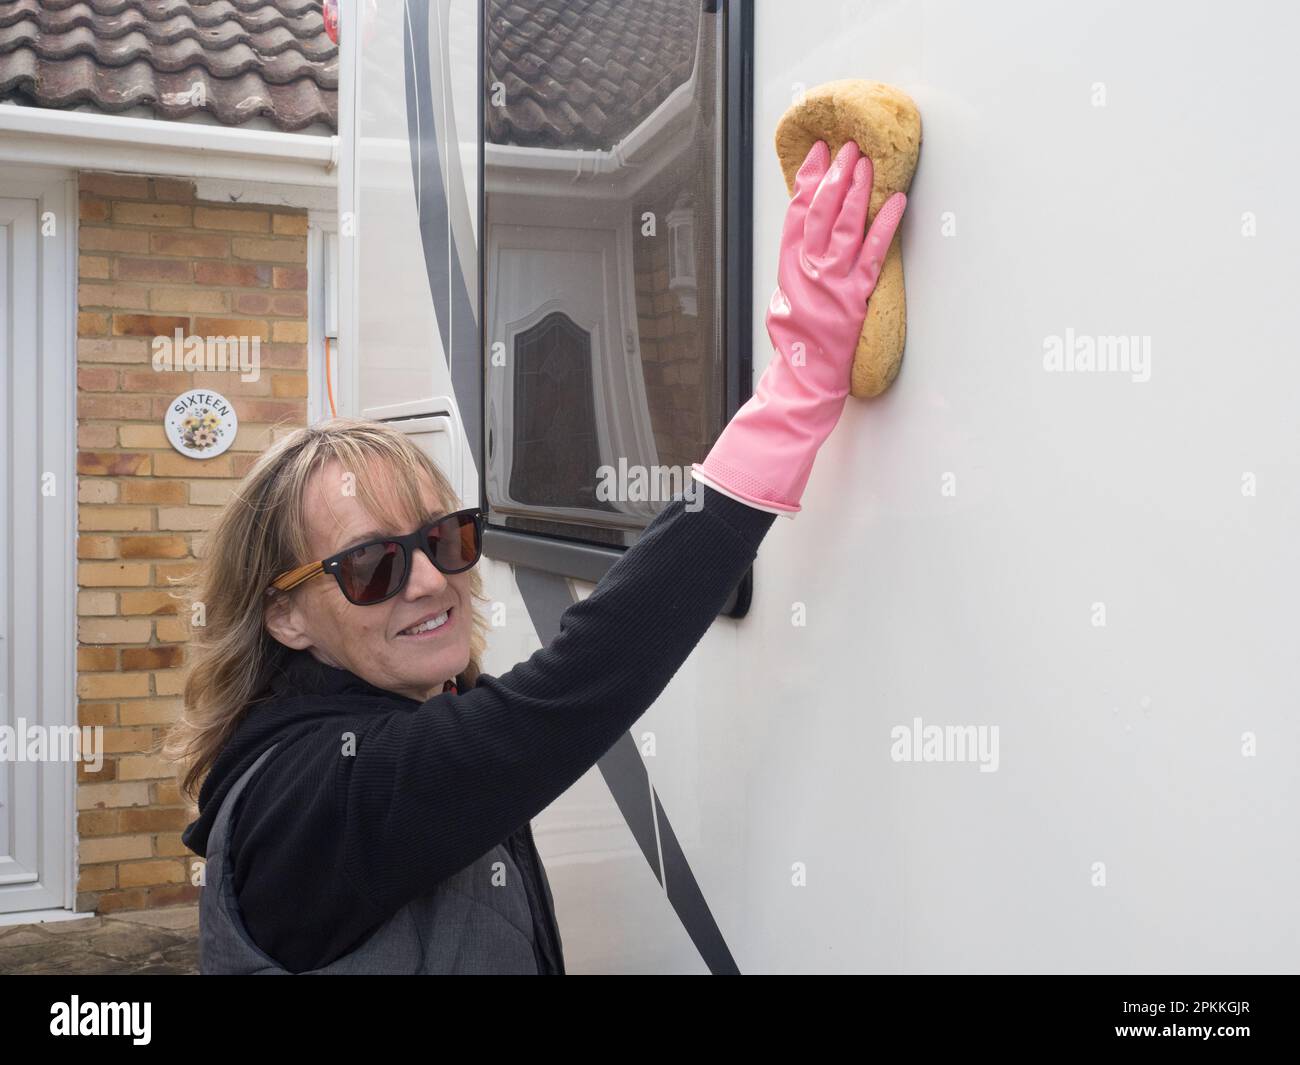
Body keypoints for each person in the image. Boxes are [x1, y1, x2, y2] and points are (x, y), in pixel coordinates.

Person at [172, 139, 907, 973]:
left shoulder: (409, 713)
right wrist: (796, 392)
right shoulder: (311, 799)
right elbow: (566, 693)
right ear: (286, 615)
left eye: (443, 539)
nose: (428, 580)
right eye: (371, 564)